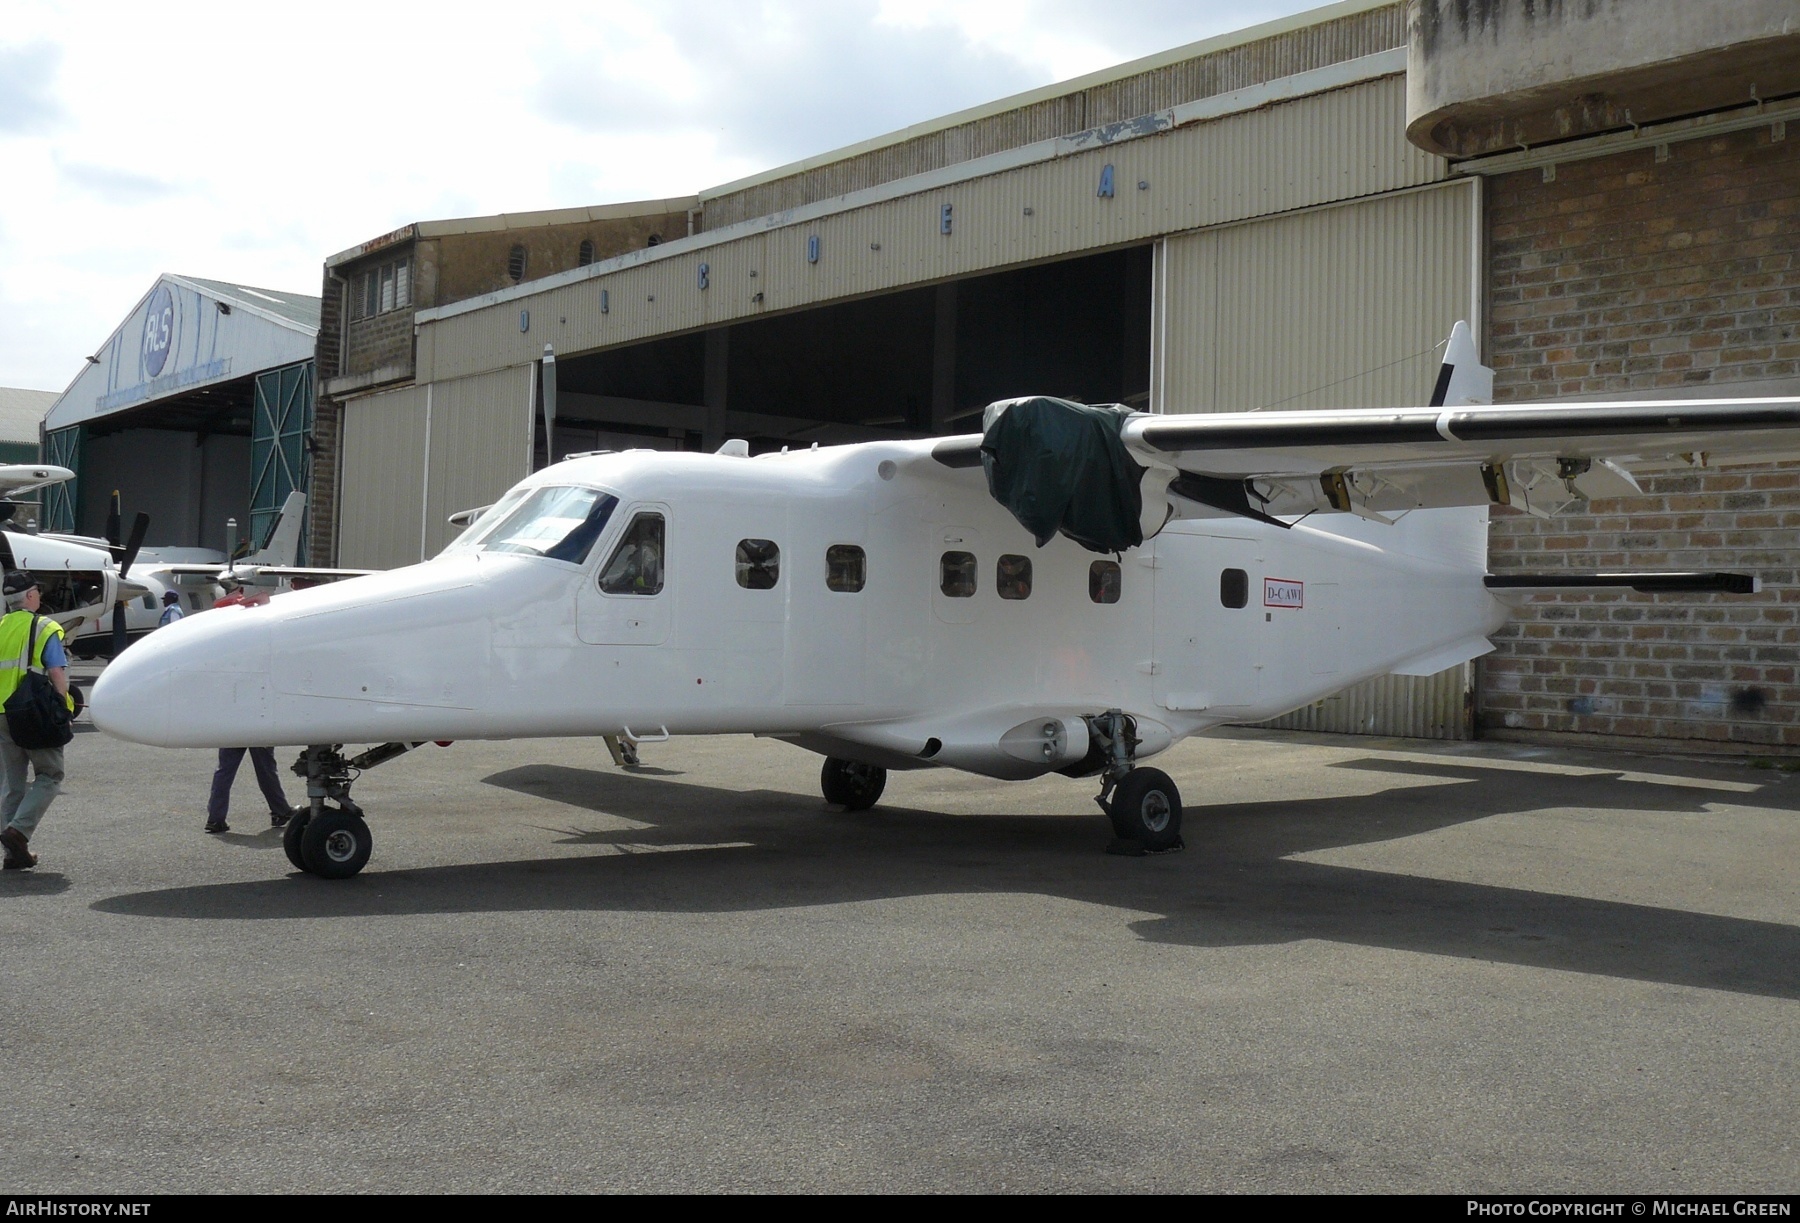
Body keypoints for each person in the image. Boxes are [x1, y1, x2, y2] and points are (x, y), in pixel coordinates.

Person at [0, 574, 70, 870]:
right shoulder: (44, 626)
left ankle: (12, 853)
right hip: (33, 712)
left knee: (12, 784)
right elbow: (57, 673)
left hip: (2, 714)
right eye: (37, 591)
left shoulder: (1, 626)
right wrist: (63, 704)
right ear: (29, 596)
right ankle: (18, 831)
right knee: (50, 774)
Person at [206, 746, 298, 834]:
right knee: (265, 770)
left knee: (224, 771)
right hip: (258, 732)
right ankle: (280, 811)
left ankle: (215, 818)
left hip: (232, 731)